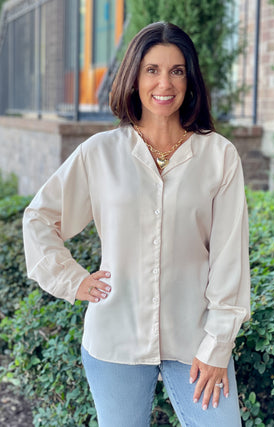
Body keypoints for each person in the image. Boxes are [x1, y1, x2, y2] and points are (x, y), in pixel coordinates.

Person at [23, 22, 251, 427]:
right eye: (152, 69)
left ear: (190, 77)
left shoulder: (219, 156)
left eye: (176, 70)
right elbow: (40, 216)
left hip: (196, 338)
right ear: (134, 76)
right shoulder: (100, 153)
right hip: (114, 341)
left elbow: (229, 258)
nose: (164, 82)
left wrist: (217, 346)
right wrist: (70, 278)